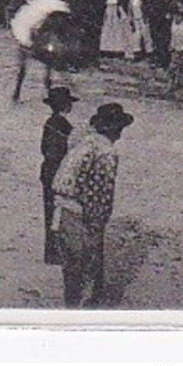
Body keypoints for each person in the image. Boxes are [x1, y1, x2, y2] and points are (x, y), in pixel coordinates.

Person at [52, 102, 134, 307]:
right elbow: (101, 193)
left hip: (63, 210)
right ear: (115, 129)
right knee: (88, 267)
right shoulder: (106, 153)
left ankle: (70, 308)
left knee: (71, 268)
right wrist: (98, 222)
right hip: (82, 214)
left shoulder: (85, 142)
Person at [40, 86, 78, 265]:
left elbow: (44, 149)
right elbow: (57, 152)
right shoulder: (62, 126)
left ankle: (51, 251)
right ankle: (55, 252)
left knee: (50, 212)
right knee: (58, 214)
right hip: (57, 173)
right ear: (65, 106)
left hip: (47, 171)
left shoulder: (50, 122)